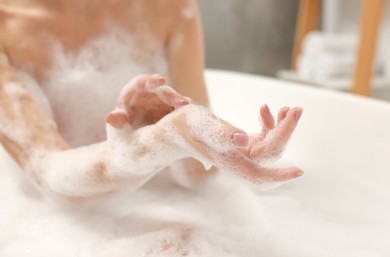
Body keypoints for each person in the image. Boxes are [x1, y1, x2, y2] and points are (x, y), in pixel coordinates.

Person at [0, 0, 303, 202]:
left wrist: (208, 139)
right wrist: (158, 142)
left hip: (153, 202)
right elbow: (50, 173)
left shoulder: (169, 8)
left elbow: (195, 176)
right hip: (54, 215)